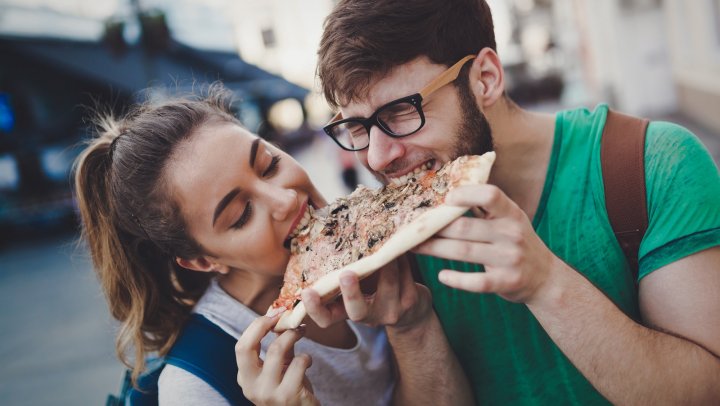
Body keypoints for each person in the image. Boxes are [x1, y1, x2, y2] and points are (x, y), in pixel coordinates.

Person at [301, 0, 720, 404]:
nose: (376, 157)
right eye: (357, 126)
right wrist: (410, 326)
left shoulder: (651, 163)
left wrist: (546, 283)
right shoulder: (394, 244)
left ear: (485, 78)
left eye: (400, 113)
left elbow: (707, 392)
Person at [73, 84, 400, 405]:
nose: (285, 199)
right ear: (203, 260)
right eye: (241, 214)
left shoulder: (377, 241)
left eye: (269, 164)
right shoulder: (195, 390)